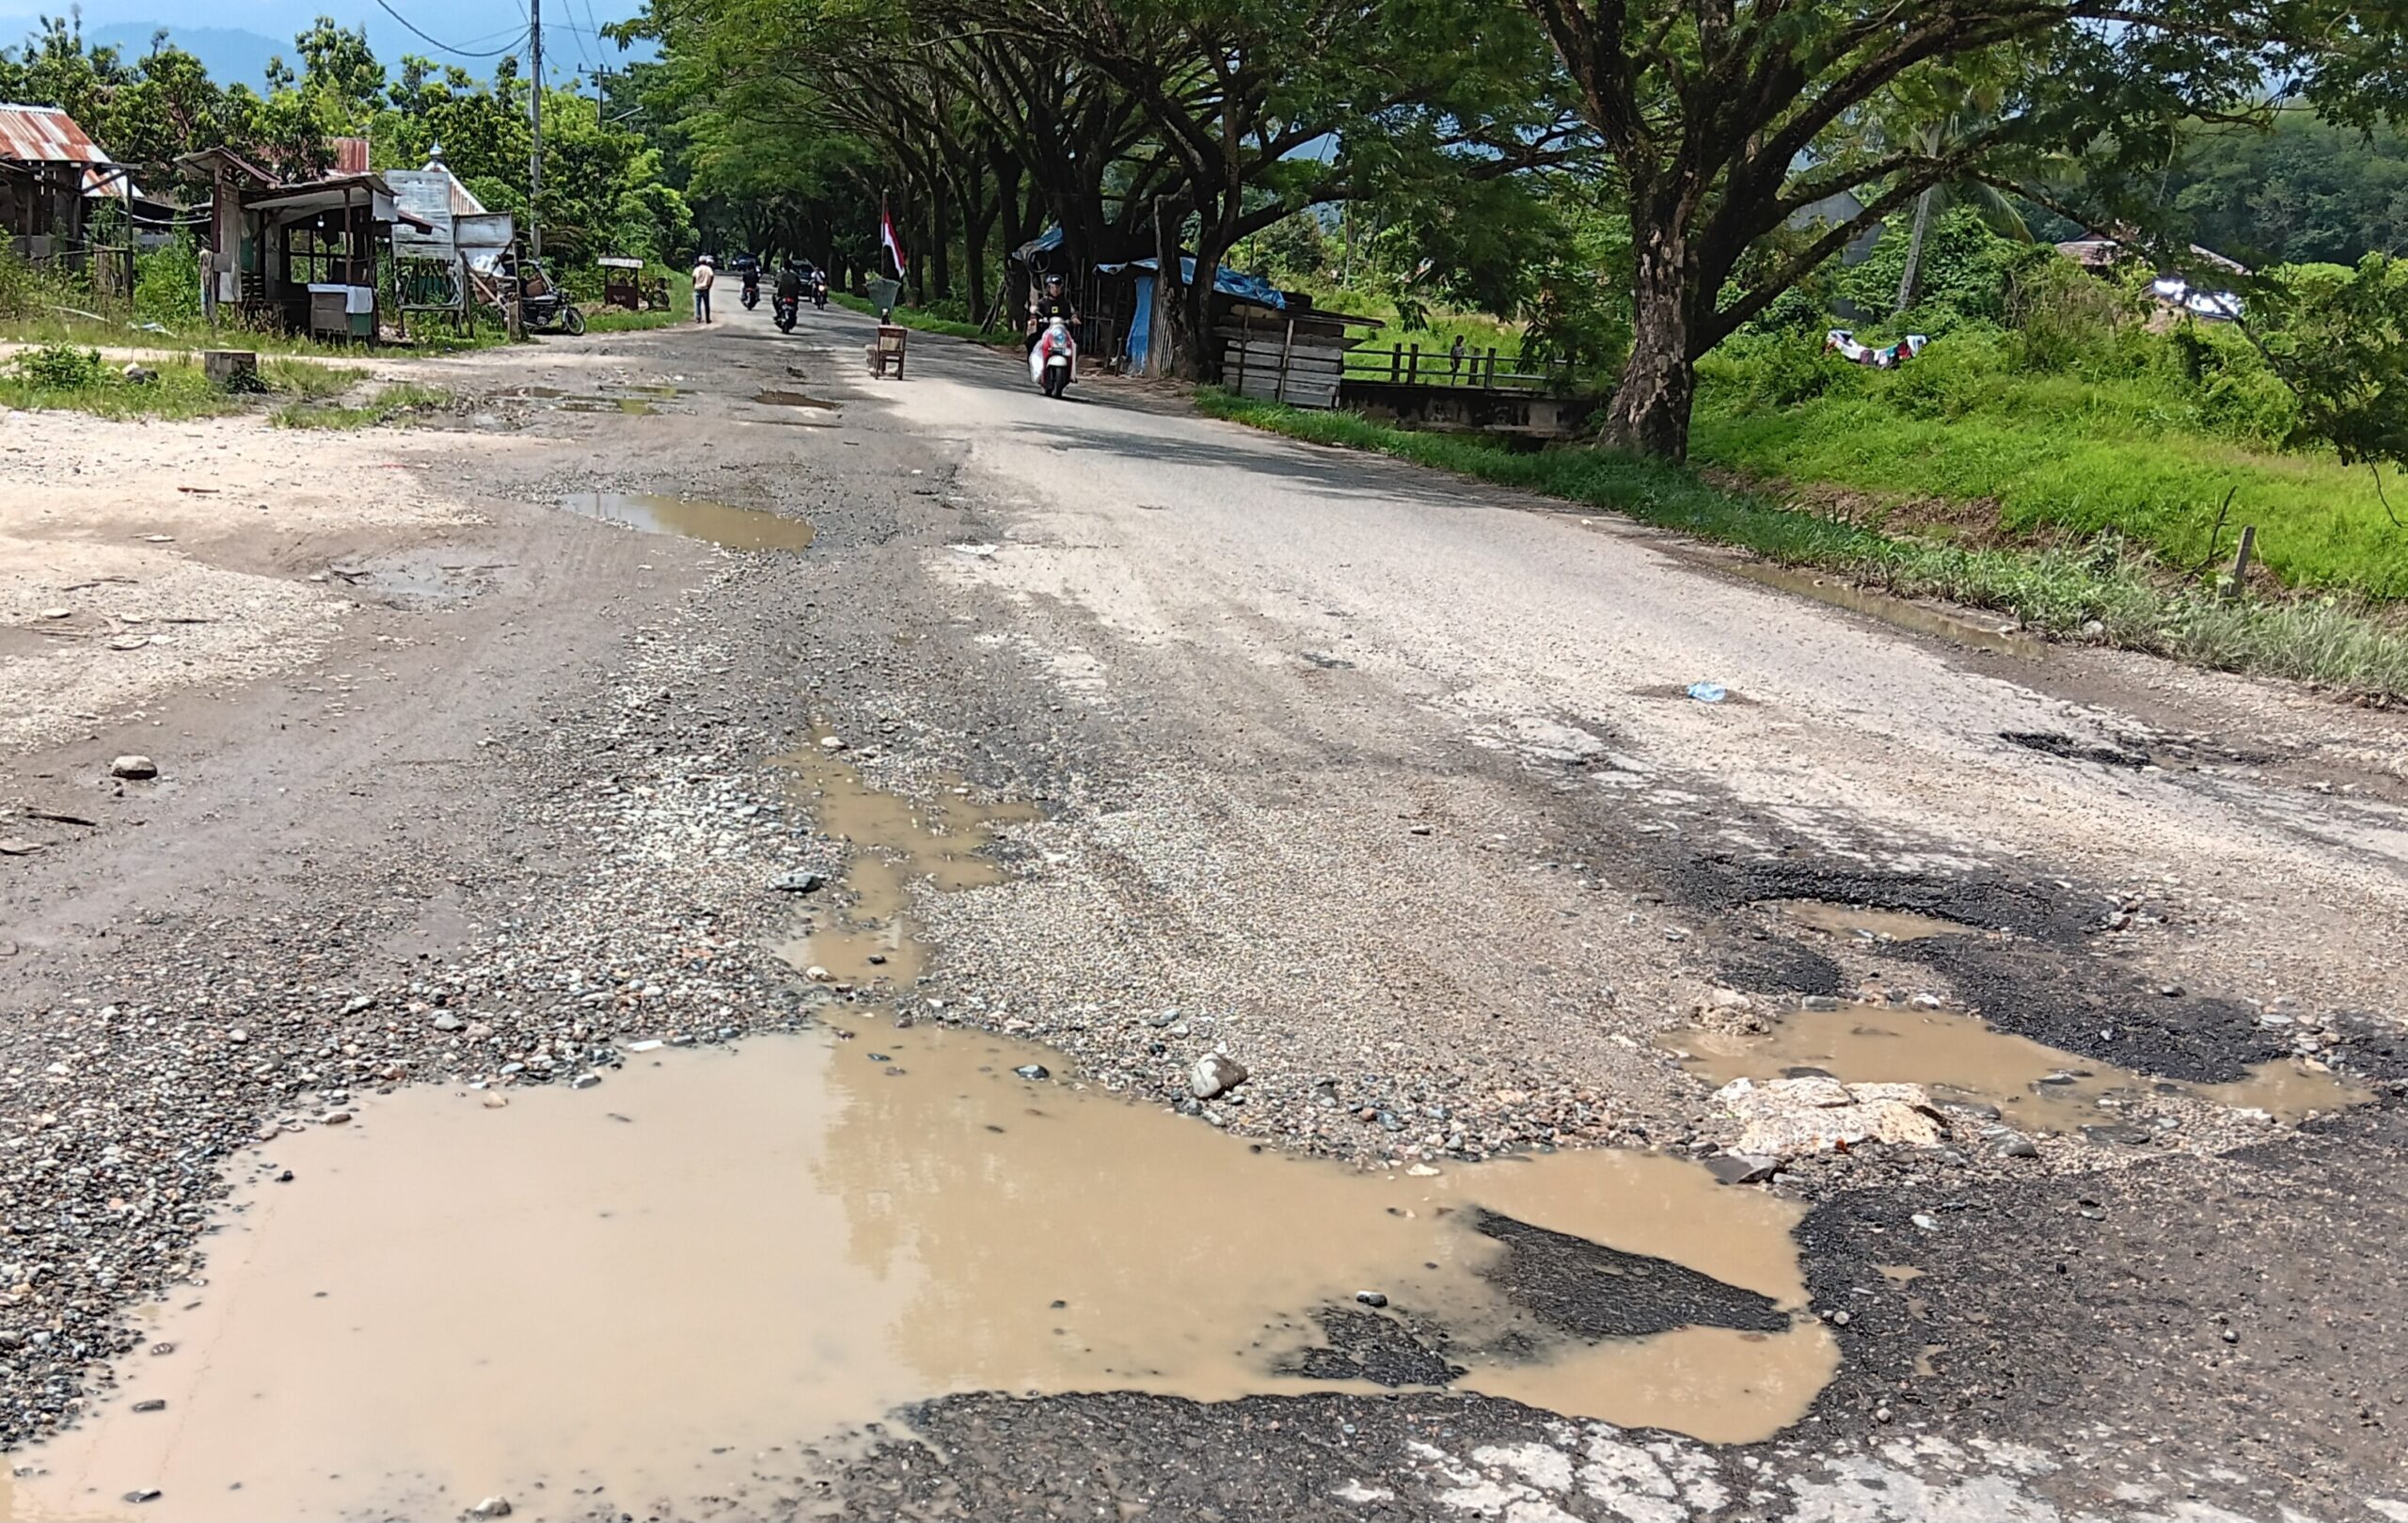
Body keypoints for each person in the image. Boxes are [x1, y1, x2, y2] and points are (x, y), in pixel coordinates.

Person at [1026, 272, 1079, 351]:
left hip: (1062, 332)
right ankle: (1032, 362)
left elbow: (1073, 312)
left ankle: (1072, 362)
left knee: (1076, 343)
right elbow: (1035, 312)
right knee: (1031, 341)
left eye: (1058, 287)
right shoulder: (1042, 302)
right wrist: (1033, 319)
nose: (1056, 290)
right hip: (1045, 331)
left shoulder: (1066, 302)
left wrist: (1074, 318)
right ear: (1048, 288)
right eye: (1053, 287)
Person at [690, 255, 715, 324]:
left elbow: (694, 278)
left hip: (697, 287)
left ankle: (698, 317)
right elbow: (712, 276)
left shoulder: (696, 269)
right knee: (706, 304)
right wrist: (709, 285)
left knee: (698, 304)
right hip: (705, 288)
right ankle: (707, 318)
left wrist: (694, 285)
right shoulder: (708, 269)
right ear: (705, 262)